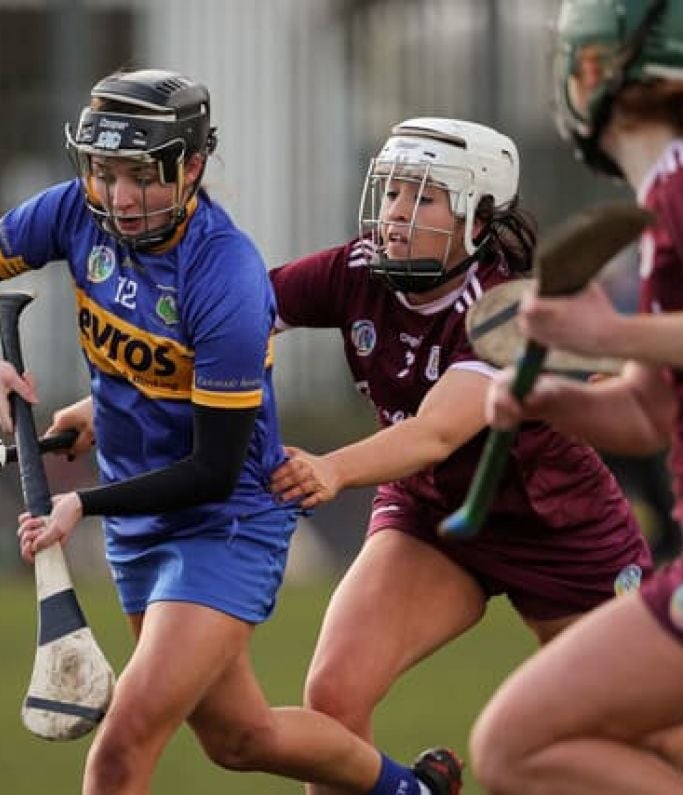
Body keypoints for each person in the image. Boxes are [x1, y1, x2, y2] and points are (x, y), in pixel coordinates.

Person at [0, 69, 457, 795]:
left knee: (121, 746)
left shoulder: (225, 276)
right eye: (104, 172)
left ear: (192, 165)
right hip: (139, 525)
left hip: (223, 522)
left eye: (141, 176)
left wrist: (82, 503)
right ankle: (412, 789)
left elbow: (211, 466)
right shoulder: (75, 213)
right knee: (240, 738)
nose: (118, 196)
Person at [267, 116, 653, 795]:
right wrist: (116, 400)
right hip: (434, 517)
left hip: (557, 528)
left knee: (632, 733)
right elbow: (234, 319)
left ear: (476, 216)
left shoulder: (495, 308)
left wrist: (331, 467)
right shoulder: (355, 271)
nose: (394, 213)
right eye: (391, 192)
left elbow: (433, 433)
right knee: (332, 694)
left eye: (422, 197)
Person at [468, 1, 683, 793]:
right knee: (649, 738)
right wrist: (551, 400)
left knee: (519, 745)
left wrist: (609, 332)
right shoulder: (658, 204)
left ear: (592, 70)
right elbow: (648, 415)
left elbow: (636, 349)